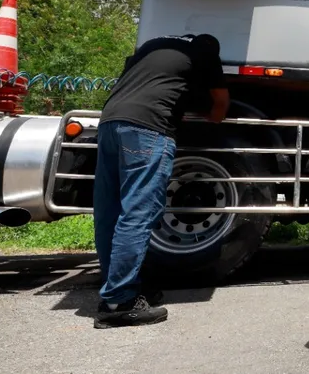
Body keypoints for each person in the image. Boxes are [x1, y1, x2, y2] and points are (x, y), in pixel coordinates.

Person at [92, 33, 229, 329]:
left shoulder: (152, 48)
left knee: (110, 214)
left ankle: (118, 286)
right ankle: (119, 301)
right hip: (148, 128)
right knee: (138, 214)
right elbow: (220, 108)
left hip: (109, 122)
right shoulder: (204, 51)